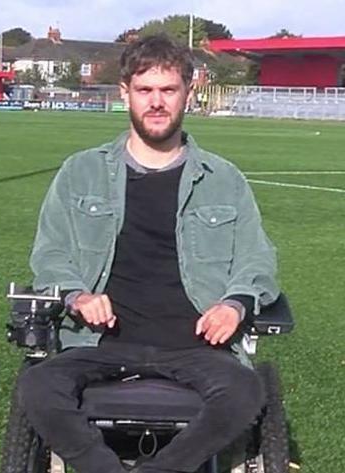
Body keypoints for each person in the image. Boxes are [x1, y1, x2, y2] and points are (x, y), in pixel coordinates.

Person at [17, 34, 280, 473]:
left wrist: (235, 305)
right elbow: (51, 254)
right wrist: (78, 296)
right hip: (98, 342)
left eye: (168, 90)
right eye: (144, 90)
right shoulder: (80, 171)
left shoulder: (224, 179)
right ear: (125, 94)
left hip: (196, 346)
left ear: (188, 94)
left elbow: (256, 259)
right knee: (38, 385)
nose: (156, 102)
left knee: (246, 392)